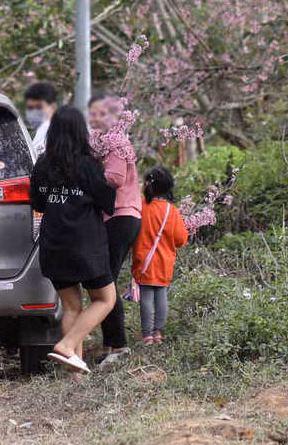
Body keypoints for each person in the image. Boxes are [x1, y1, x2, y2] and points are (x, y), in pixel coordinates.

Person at [30, 106, 117, 374]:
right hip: (85, 247)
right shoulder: (88, 165)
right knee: (106, 299)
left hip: (54, 246)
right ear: (81, 132)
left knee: (71, 308)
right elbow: (108, 203)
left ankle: (76, 376)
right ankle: (67, 345)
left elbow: (38, 203)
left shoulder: (42, 165)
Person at [88, 91, 142, 368]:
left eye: (102, 113)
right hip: (116, 217)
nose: (96, 118)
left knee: (104, 280)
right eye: (93, 113)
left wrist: (85, 176)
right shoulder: (102, 141)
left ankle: (119, 346)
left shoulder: (116, 140)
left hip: (121, 215)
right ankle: (110, 343)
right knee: (103, 279)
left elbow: (115, 178)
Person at [131, 166, 188, 344]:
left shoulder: (140, 207)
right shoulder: (172, 211)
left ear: (148, 185)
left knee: (146, 298)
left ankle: (147, 335)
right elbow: (181, 240)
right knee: (161, 295)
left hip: (144, 261)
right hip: (164, 263)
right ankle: (158, 333)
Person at [23, 81, 58, 156]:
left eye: (39, 107)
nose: (34, 112)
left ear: (53, 107)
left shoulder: (57, 133)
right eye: (30, 108)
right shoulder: (39, 131)